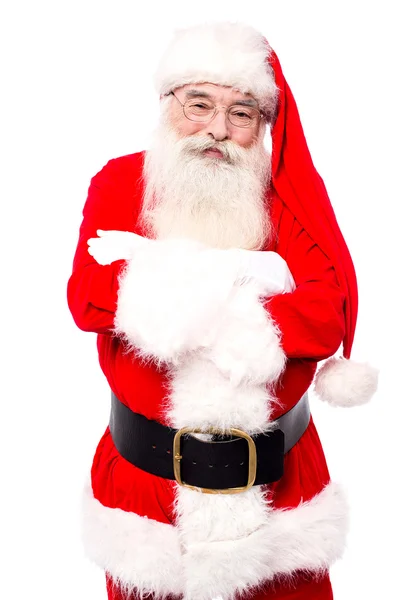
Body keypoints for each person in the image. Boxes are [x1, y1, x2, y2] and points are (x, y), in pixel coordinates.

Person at [67, 21, 378, 600]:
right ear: (168, 104)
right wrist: (246, 279)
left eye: (241, 113)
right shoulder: (119, 182)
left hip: (279, 495)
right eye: (199, 104)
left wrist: (160, 276)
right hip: (146, 495)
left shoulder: (284, 198)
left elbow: (324, 313)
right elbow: (89, 296)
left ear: (263, 126)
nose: (216, 129)